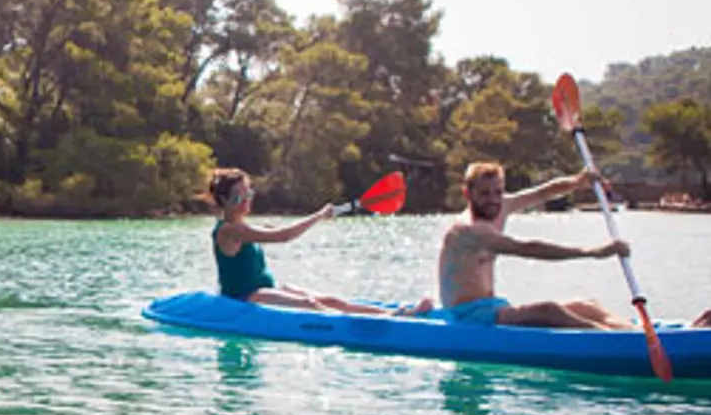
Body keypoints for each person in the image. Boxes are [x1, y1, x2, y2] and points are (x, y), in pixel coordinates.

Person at [209, 168, 431, 316]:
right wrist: (318, 215)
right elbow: (283, 236)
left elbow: (281, 229)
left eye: (248, 194)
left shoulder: (245, 225)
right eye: (239, 197)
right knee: (310, 305)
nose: (246, 201)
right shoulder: (229, 231)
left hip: (266, 290)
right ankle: (376, 324)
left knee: (332, 300)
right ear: (224, 201)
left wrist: (322, 215)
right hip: (245, 297)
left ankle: (395, 315)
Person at [435, 162, 630, 329]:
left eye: (498, 192)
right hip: (467, 317)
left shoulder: (501, 205)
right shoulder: (468, 230)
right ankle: (616, 341)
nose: (493, 200)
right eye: (484, 194)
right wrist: (593, 252)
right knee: (550, 311)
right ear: (467, 193)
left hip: (493, 307)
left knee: (588, 306)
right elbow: (527, 248)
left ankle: (636, 331)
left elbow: (542, 193)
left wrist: (578, 181)